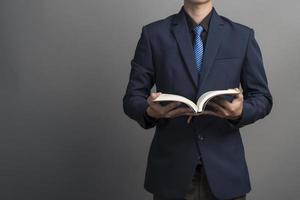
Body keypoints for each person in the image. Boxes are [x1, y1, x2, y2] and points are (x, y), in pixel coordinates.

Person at [123, 0, 273, 199]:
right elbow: (132, 97)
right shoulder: (154, 34)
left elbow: (262, 97)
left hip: (226, 170)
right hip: (171, 170)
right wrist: (149, 111)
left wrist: (241, 112)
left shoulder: (242, 36)